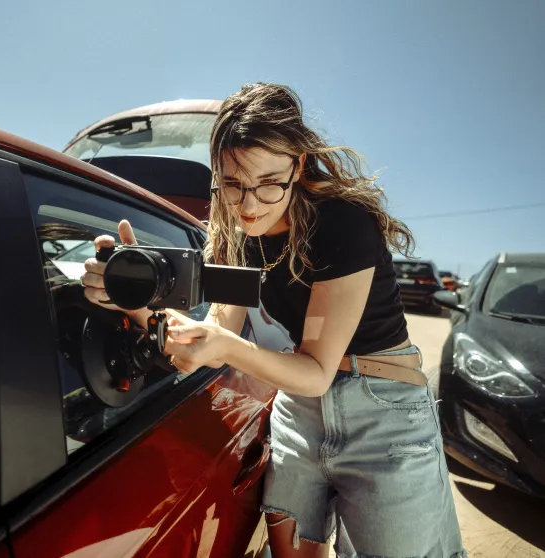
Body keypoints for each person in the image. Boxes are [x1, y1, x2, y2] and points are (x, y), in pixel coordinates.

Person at [81, 83, 465, 558]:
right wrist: (132, 298)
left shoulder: (341, 223)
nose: (248, 204)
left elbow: (316, 371)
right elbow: (206, 340)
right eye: (233, 183)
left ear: (298, 167)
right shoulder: (237, 236)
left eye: (269, 183)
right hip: (299, 408)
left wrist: (225, 344)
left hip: (383, 407)